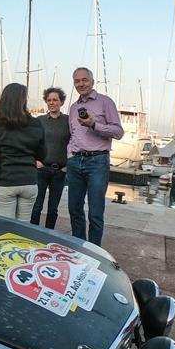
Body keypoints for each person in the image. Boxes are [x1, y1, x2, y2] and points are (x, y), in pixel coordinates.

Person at [67, 67, 124, 245]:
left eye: (84, 80)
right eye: (77, 81)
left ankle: (94, 251)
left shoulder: (105, 102)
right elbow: (72, 134)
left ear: (92, 81)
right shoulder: (73, 107)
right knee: (74, 209)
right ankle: (79, 247)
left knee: (95, 212)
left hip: (97, 162)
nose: (81, 84)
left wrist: (94, 124)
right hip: (75, 162)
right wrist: (69, 154)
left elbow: (118, 132)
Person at [0, 83, 45, 222]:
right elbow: (43, 155)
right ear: (23, 100)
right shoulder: (36, 123)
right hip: (29, 180)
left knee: (6, 228)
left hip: (6, 179)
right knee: (24, 226)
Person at [31, 87, 70, 229]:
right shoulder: (39, 120)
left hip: (60, 172)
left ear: (62, 102)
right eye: (49, 100)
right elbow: (31, 142)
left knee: (53, 209)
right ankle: (32, 233)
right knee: (37, 206)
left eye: (55, 100)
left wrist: (68, 166)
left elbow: (74, 144)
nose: (52, 103)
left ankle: (49, 235)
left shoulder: (68, 121)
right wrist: (35, 160)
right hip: (41, 170)